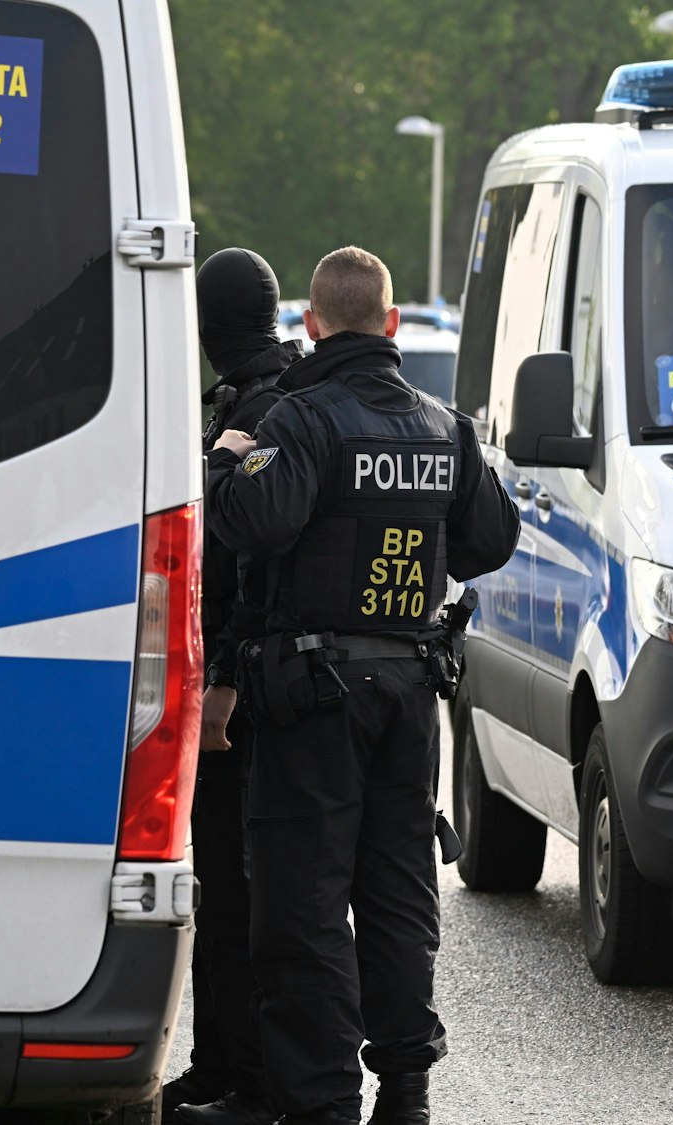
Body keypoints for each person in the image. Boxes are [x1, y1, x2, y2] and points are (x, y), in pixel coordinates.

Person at [185, 246, 520, 1125]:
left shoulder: (302, 420)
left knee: (302, 910)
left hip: (313, 703)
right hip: (410, 698)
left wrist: (223, 461)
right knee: (398, 897)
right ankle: (405, 1092)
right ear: (396, 323)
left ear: (313, 325)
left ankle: (323, 1102)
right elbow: (489, 540)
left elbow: (253, 525)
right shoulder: (446, 429)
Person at [162, 248, 305, 1116]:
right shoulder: (265, 397)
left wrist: (220, 681)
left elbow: (254, 566)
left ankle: (244, 1076)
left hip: (239, 692)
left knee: (235, 889)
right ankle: (220, 1065)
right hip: (247, 682)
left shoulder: (266, 411)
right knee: (224, 886)